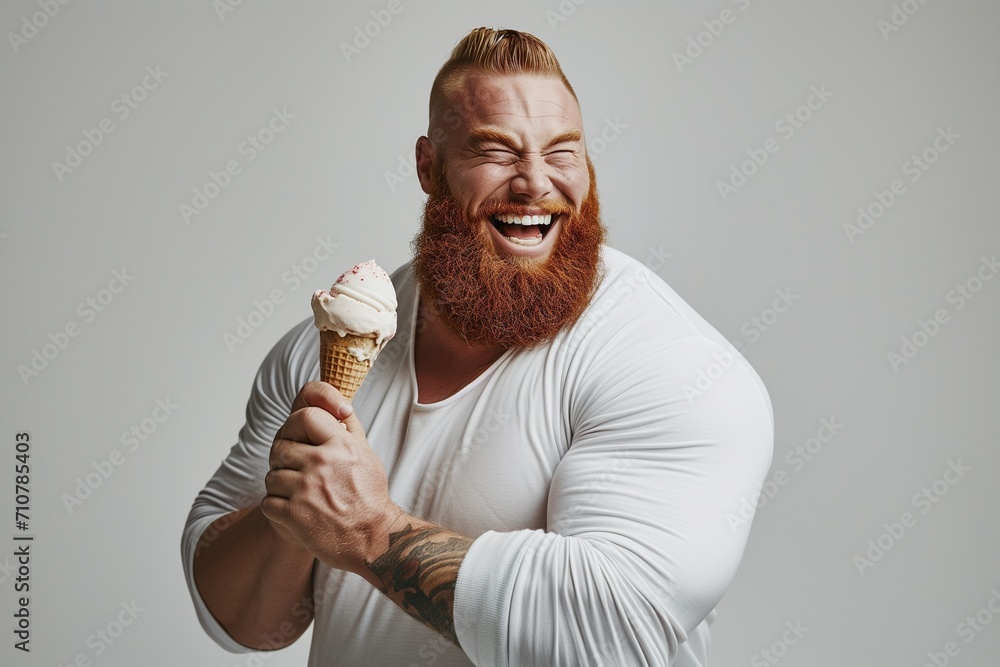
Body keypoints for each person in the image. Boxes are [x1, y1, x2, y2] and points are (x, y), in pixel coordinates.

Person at [182, 27, 773, 667]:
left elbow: (609, 631)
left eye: (562, 153)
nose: (535, 184)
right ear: (428, 167)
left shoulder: (671, 364)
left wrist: (368, 531)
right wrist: (294, 511)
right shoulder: (321, 348)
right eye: (496, 152)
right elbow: (242, 620)